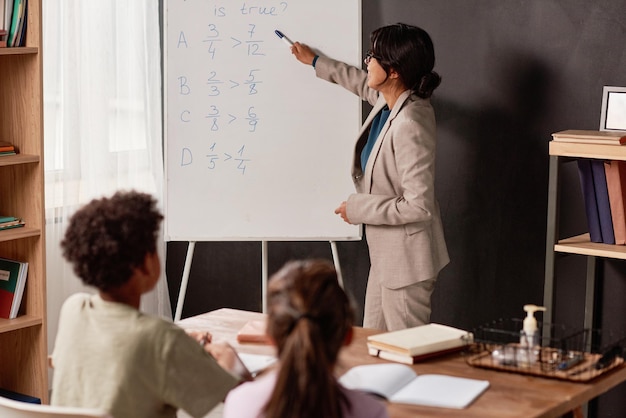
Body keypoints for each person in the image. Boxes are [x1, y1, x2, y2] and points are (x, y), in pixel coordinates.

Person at [290, 23, 449, 331]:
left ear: (393, 72)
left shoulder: (410, 122)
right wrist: (315, 61)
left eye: (373, 57)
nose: (367, 62)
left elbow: (419, 206)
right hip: (387, 257)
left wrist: (358, 208)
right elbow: (358, 82)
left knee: (405, 353)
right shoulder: (390, 100)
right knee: (372, 345)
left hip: (407, 264)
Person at [50, 190, 250, 418]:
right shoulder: (160, 339)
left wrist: (182, 345)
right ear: (146, 264)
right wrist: (234, 364)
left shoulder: (73, 310)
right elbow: (250, 405)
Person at [222, 259, 388, 418]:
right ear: (348, 336)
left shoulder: (240, 402)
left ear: (269, 335)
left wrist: (242, 380)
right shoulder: (371, 411)